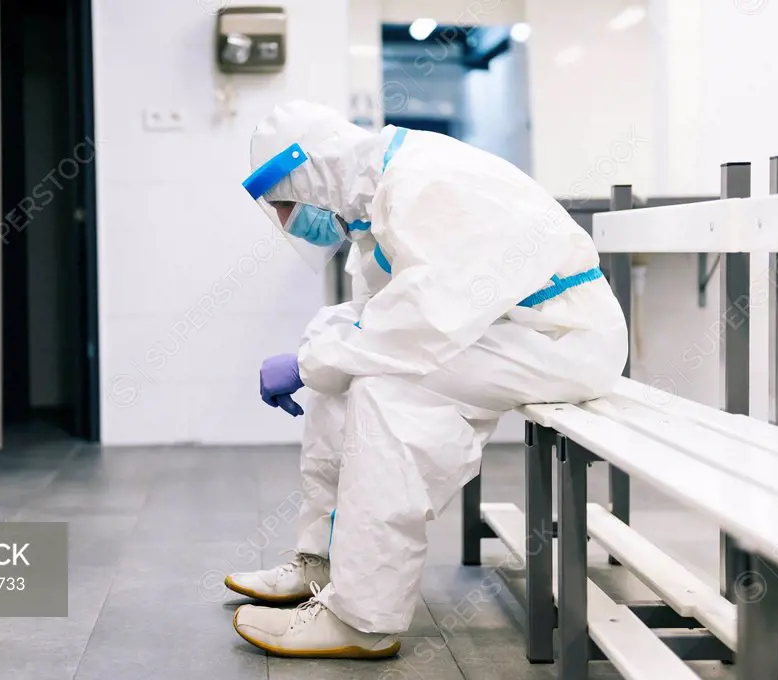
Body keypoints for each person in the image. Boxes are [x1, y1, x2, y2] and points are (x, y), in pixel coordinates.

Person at [225, 100, 628, 659]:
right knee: (337, 352)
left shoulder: (424, 181)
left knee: (386, 389)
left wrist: (311, 361)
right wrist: (315, 359)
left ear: (313, 168)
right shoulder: (376, 195)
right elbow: (379, 314)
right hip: (512, 327)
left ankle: (363, 618)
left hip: (562, 337)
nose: (293, 218)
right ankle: (320, 562)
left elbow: (423, 320)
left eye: (290, 201)